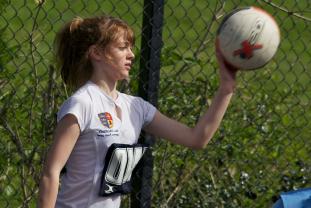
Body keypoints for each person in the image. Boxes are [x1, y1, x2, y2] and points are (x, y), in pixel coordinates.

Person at [38, 15, 237, 208]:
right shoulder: (82, 104)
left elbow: (196, 138)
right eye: (122, 47)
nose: (131, 54)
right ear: (96, 53)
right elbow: (51, 172)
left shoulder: (136, 107)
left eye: (130, 48)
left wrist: (226, 88)